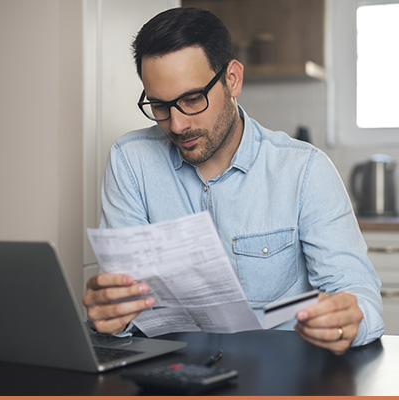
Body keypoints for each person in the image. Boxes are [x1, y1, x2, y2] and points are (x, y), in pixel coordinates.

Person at [83, 7, 384, 354]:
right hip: (171, 376)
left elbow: (360, 294)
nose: (177, 125)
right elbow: (122, 310)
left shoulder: (305, 170)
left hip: (282, 377)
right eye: (160, 105)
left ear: (233, 80)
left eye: (192, 99)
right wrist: (110, 315)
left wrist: (351, 316)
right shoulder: (130, 162)